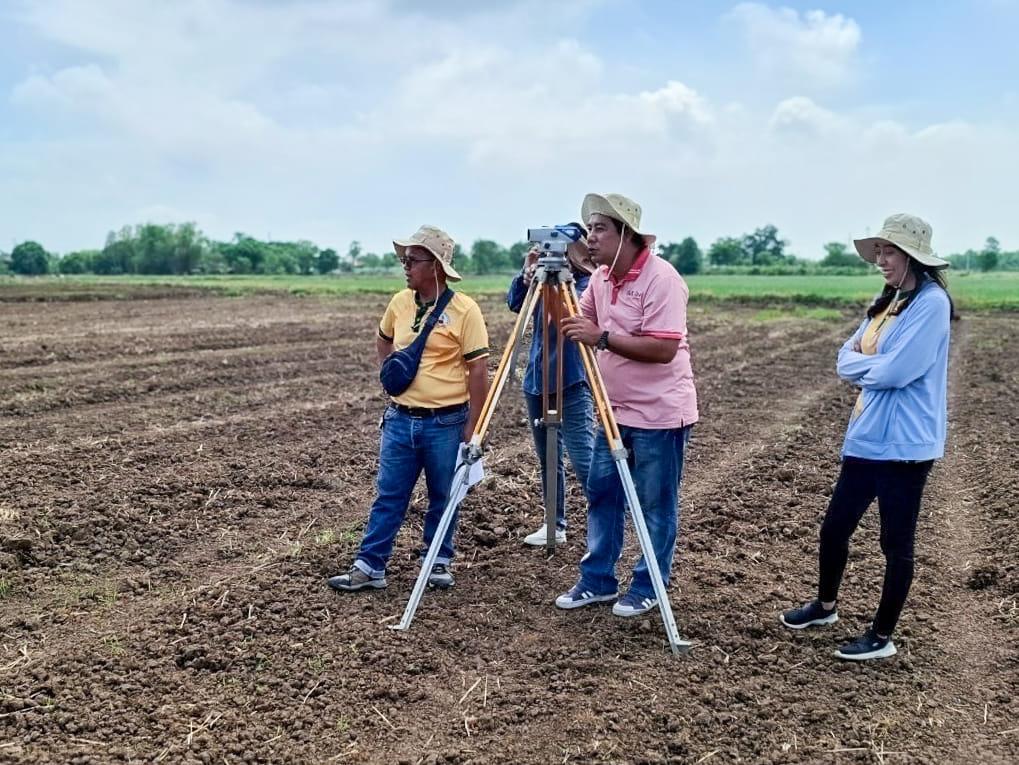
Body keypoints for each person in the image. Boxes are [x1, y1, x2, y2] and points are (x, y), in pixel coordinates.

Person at [781, 213, 953, 661]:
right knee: (834, 528)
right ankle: (825, 606)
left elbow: (898, 372)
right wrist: (873, 368)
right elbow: (843, 360)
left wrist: (870, 368)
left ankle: (881, 636)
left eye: (889, 250)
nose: (880, 259)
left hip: (906, 445)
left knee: (895, 544)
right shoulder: (888, 303)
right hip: (866, 435)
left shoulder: (931, 304)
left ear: (912, 256)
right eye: (878, 251)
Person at [556, 193, 698, 617]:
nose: (591, 237)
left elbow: (663, 348)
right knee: (602, 493)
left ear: (627, 236)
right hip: (612, 410)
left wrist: (601, 338)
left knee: (655, 503)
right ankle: (598, 579)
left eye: (600, 229)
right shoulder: (600, 279)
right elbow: (572, 322)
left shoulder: (661, 279)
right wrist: (544, 284)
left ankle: (649, 584)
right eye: (590, 229)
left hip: (659, 414)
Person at [328, 225, 490, 593]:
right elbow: (383, 339)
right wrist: (390, 373)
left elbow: (478, 370)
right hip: (401, 418)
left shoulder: (465, 311)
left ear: (434, 266)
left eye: (412, 260)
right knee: (389, 495)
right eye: (404, 259)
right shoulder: (400, 303)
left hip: (447, 421)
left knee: (443, 496)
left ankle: (436, 562)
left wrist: (474, 427)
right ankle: (370, 566)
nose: (405, 266)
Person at [506, 225, 596, 546]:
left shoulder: (586, 286)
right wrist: (526, 276)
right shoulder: (541, 281)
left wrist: (557, 286)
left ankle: (608, 524)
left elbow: (572, 321)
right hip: (537, 377)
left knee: (584, 460)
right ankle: (553, 525)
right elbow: (515, 302)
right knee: (547, 457)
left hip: (571, 378)